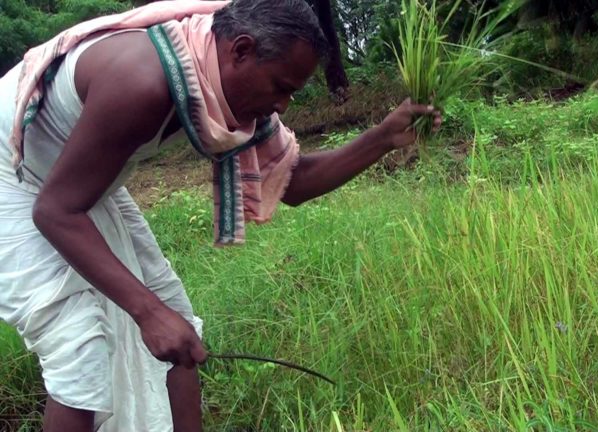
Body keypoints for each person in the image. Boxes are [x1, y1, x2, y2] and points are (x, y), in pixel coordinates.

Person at [0, 0, 442, 430]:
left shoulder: (226, 85)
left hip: (79, 180)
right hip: (15, 176)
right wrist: (146, 312)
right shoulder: (141, 82)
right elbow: (56, 211)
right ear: (241, 50)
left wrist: (383, 137)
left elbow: (294, 182)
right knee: (79, 348)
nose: (284, 105)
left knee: (178, 324)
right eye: (281, 87)